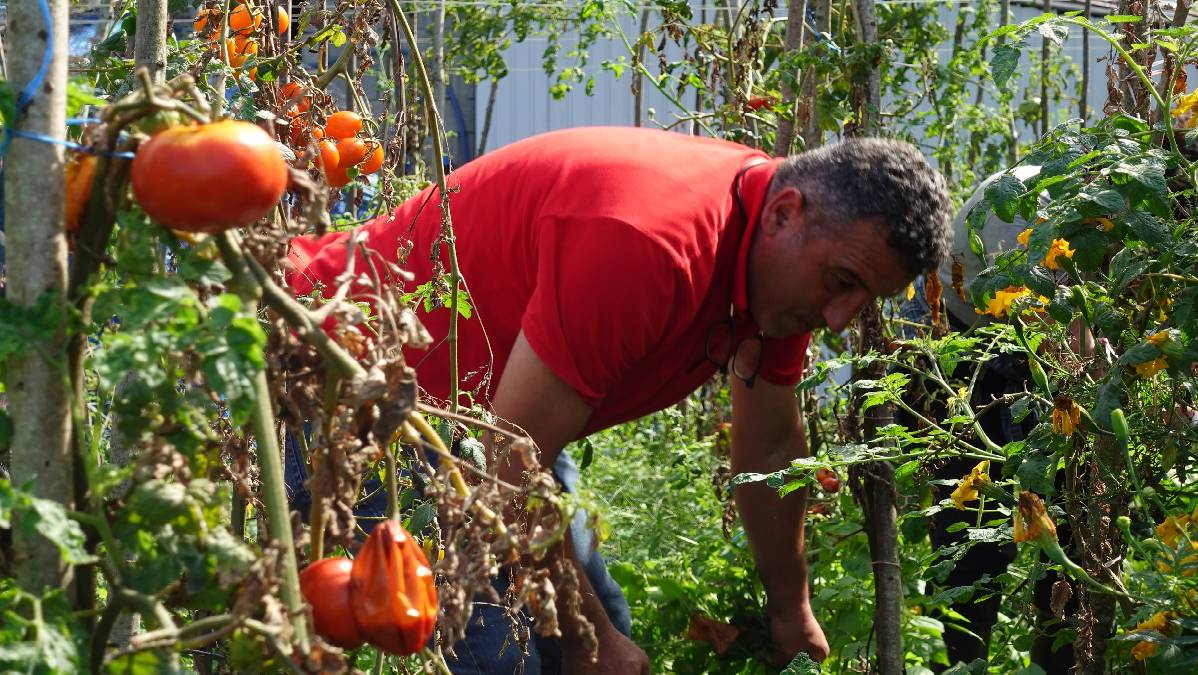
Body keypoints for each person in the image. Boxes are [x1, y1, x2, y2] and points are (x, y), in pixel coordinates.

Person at [287, 126, 953, 672]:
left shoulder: (776, 267)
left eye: (862, 299)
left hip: (486, 417)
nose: (839, 318)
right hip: (351, 379)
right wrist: (585, 641)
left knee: (603, 621)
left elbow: (771, 442)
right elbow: (508, 465)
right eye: (841, 283)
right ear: (786, 214)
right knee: (503, 656)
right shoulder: (651, 243)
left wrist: (791, 608)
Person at [899, 166, 1075, 671]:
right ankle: (960, 664)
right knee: (967, 534)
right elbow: (1061, 340)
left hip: (1024, 339)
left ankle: (1055, 653)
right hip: (956, 335)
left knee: (1069, 546)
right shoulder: (1069, 211)